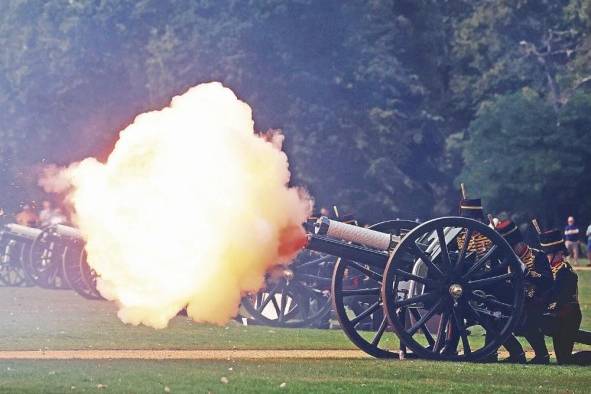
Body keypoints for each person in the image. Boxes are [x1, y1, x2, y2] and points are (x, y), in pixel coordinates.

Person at [495, 219, 553, 364]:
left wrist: (528, 274)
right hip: (514, 301)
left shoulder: (537, 255)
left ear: (517, 244)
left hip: (536, 300)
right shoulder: (506, 260)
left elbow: (547, 281)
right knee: (496, 319)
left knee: (527, 320)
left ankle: (542, 355)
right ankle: (517, 353)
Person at [538, 228, 582, 364]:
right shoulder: (550, 270)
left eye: (548, 254)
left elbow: (554, 294)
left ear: (559, 253)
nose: (546, 257)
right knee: (562, 359)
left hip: (568, 318)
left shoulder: (565, 272)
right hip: (557, 316)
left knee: (564, 360)